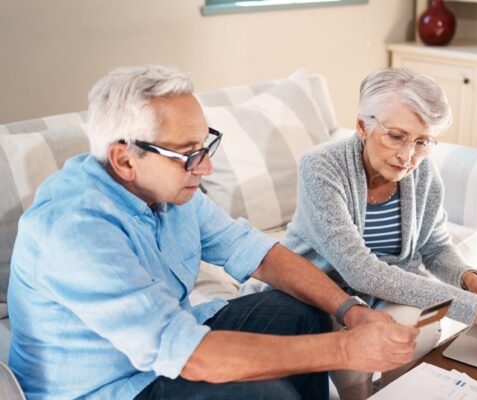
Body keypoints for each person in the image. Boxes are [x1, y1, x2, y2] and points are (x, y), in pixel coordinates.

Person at [7, 65, 419, 400]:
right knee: (264, 396)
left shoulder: (167, 191)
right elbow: (186, 354)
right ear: (124, 160)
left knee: (298, 310)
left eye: (205, 146)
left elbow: (258, 253)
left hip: (168, 350)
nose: (204, 169)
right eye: (187, 154)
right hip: (111, 386)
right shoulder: (74, 231)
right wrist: (347, 348)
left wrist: (351, 310)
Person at [282, 67, 477, 399]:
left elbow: (434, 245)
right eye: (396, 136)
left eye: (423, 142)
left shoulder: (422, 172)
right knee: (356, 365)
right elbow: (359, 271)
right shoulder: (320, 167)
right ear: (363, 126)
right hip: (321, 290)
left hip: (384, 289)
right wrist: (471, 306)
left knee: (420, 331)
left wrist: (471, 281)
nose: (408, 156)